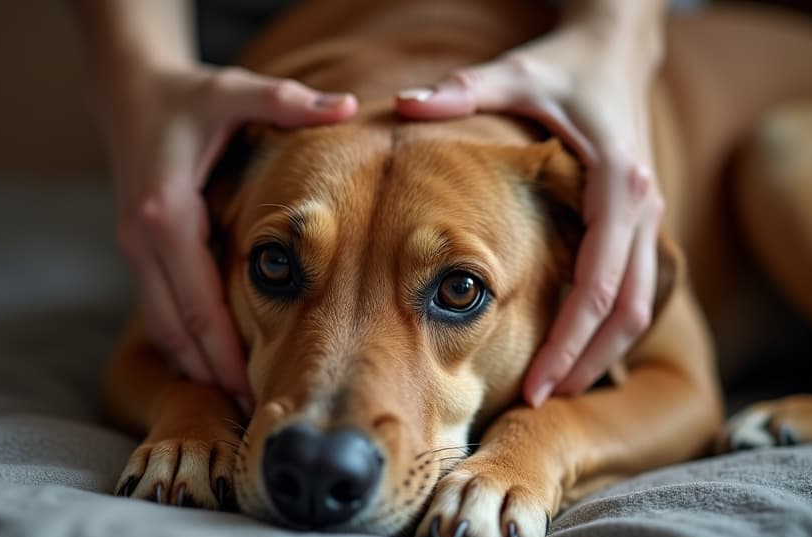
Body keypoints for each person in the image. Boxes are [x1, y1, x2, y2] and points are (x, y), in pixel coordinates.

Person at [73, 0, 668, 411]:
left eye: (457, 290)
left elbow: (676, 388)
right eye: (276, 267)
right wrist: (135, 78)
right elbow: (145, 359)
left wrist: (617, 37)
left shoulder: (581, 189)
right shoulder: (254, 165)